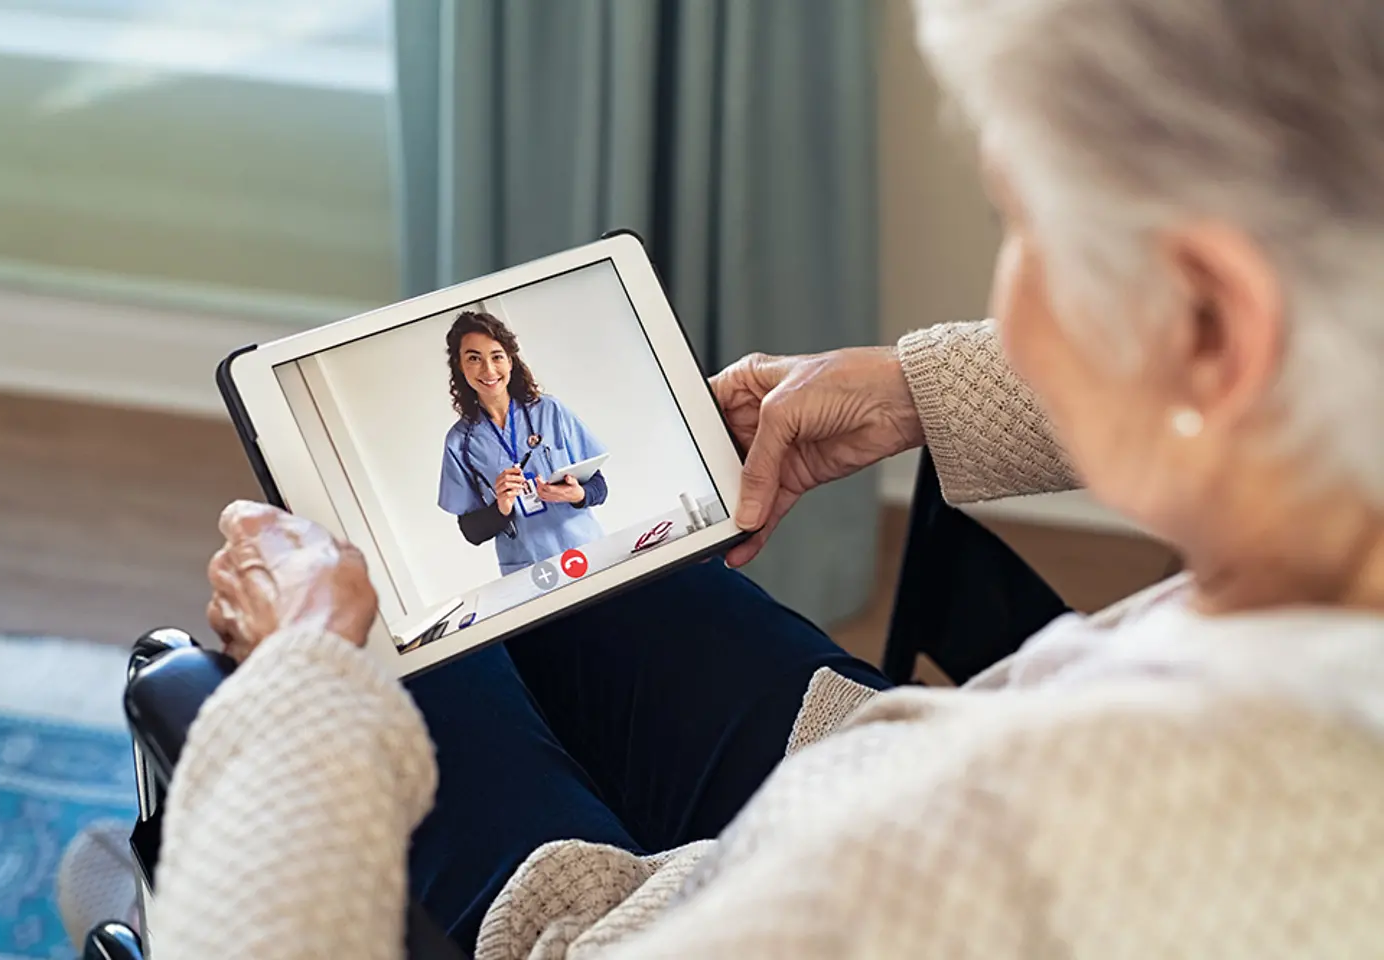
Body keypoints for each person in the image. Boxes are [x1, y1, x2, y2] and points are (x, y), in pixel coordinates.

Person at [144, 0, 1384, 955]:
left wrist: (301, 696)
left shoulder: (985, 855)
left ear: (1210, 327)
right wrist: (918, 392)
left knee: (382, 653)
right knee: (595, 582)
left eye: (1027, 229)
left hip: (689, 906)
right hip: (907, 752)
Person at [436, 310, 609, 575]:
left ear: (510, 360)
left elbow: (599, 486)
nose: (489, 370)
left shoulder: (550, 411)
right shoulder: (460, 442)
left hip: (584, 549)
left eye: (497, 356)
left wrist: (578, 494)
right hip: (529, 569)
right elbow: (471, 531)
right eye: (474, 358)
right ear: (460, 366)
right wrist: (500, 508)